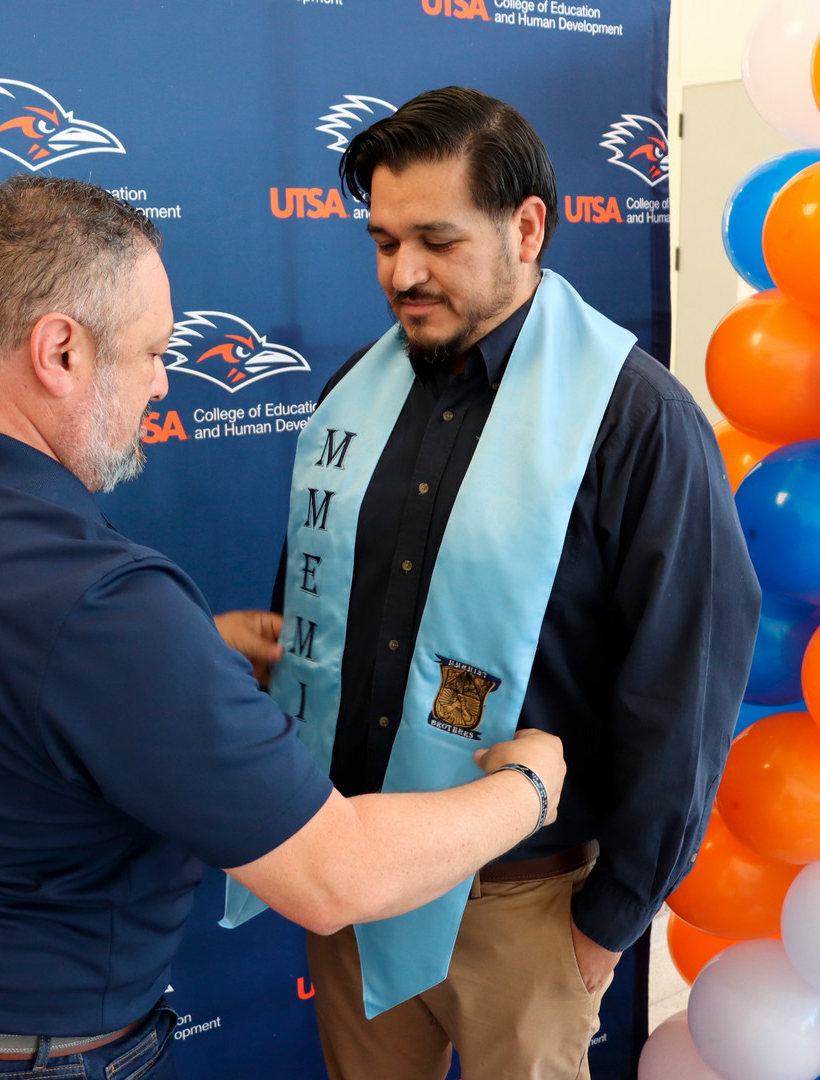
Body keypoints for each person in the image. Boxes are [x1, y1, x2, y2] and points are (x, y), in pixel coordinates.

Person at [0, 173, 566, 1080]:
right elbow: (334, 876)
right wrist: (531, 791)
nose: (165, 383)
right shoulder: (101, 609)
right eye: (152, 352)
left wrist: (183, 656)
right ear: (61, 351)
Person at [267, 88, 761, 1080]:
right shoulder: (350, 400)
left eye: (436, 242)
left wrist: (610, 919)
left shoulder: (637, 422)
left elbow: (681, 689)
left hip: (530, 912)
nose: (400, 275)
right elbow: (308, 620)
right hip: (359, 880)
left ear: (527, 227)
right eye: (383, 242)